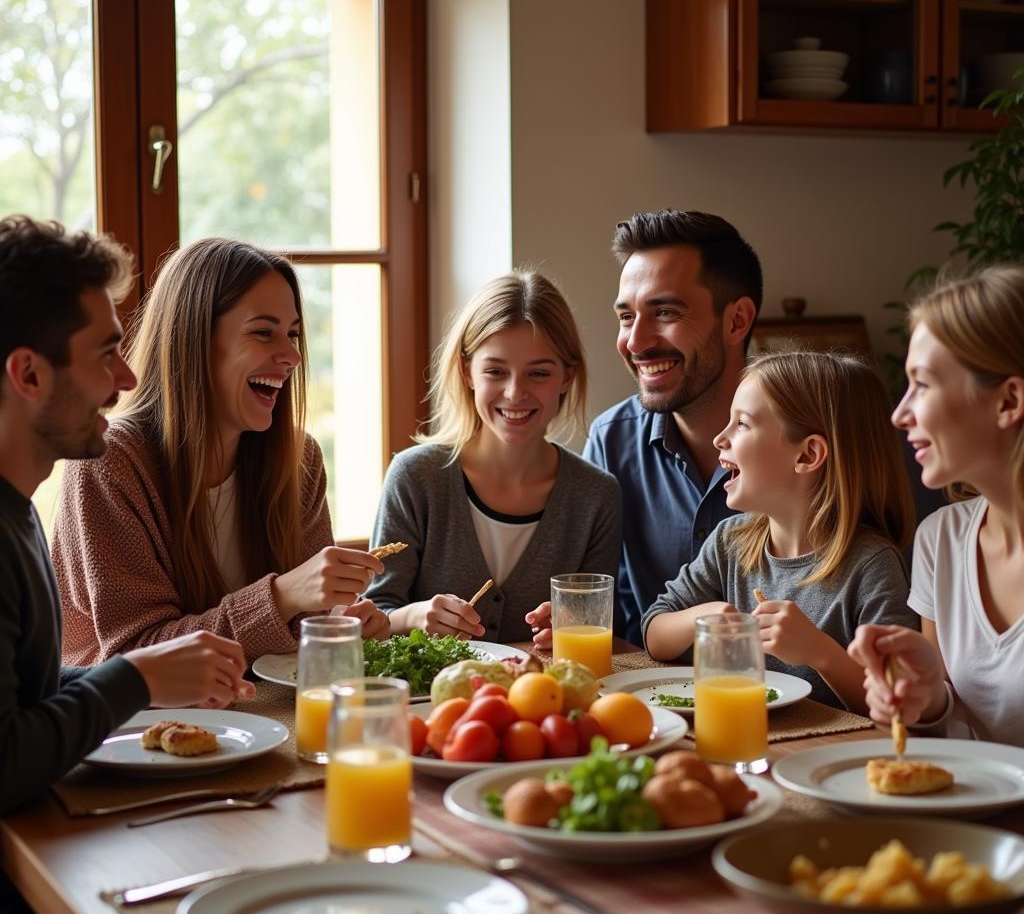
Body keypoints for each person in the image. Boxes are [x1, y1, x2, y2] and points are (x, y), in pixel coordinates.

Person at [0, 215, 253, 914]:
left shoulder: (17, 513)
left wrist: (138, 676)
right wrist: (134, 679)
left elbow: (32, 710)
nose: (129, 377)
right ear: (28, 374)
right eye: (107, 350)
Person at [51, 237, 388, 668]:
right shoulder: (110, 463)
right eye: (264, 332)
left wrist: (339, 624)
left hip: (255, 712)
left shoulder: (298, 460)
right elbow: (136, 659)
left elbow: (298, 625)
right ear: (193, 340)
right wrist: (282, 596)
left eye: (293, 334)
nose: (291, 356)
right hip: (131, 729)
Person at [644, 351, 918, 712]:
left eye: (741, 424)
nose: (719, 439)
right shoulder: (732, 542)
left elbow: (900, 704)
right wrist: (706, 617)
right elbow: (654, 632)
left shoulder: (871, 566)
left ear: (807, 455)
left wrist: (819, 652)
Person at [366, 270, 620, 645]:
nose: (515, 393)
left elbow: (597, 627)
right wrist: (416, 616)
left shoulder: (597, 495)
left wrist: (570, 628)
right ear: (467, 371)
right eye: (496, 371)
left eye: (538, 373)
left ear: (567, 376)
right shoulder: (416, 477)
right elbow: (374, 615)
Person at [849, 267, 1024, 745]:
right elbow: (957, 726)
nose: (899, 414)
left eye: (922, 385)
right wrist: (927, 695)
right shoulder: (941, 539)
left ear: (1008, 400)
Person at [584, 209, 762, 644]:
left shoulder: (817, 439)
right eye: (626, 317)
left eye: (664, 312)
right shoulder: (612, 440)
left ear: (737, 320)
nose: (636, 342)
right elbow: (599, 607)